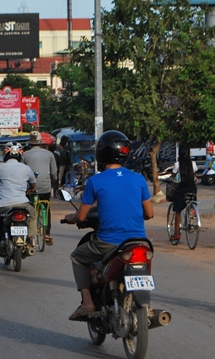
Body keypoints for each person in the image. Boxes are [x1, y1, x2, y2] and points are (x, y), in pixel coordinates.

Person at [64, 130, 154, 321]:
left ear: (101, 153)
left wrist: (70, 218)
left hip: (108, 242)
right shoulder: (139, 179)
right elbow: (149, 214)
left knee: (77, 257)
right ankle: (146, 305)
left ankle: (87, 302)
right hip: (139, 242)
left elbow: (81, 217)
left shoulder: (95, 181)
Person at [0, 144, 38, 249]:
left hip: (4, 204)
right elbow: (33, 184)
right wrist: (30, 189)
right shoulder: (26, 168)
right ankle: (30, 238)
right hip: (23, 203)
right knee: (33, 214)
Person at [22, 131, 58, 245]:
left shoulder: (25, 155)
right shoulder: (49, 154)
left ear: (30, 143)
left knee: (28, 208)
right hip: (45, 187)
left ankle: (29, 233)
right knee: (46, 206)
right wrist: (54, 179)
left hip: (30, 187)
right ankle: (47, 233)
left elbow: (22, 172)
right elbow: (54, 172)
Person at [170, 145, 198, 242]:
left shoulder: (177, 164)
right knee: (191, 201)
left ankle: (176, 233)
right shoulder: (193, 163)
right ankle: (193, 211)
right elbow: (195, 175)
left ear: (179, 154)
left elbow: (173, 176)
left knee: (178, 210)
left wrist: (172, 177)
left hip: (183, 189)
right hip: (193, 188)